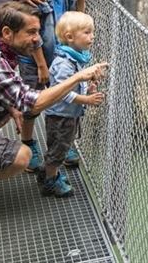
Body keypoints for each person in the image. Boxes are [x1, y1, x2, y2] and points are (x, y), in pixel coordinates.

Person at [0, 2, 107, 221]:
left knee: (12, 108)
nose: (38, 38)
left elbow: (5, 91)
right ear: (7, 33)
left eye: (38, 31)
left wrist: (12, 108)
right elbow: (31, 103)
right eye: (31, 32)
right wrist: (79, 77)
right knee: (21, 158)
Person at [18, 0, 88, 172]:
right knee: (33, 103)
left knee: (59, 100)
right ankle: (28, 144)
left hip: (58, 60)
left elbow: (75, 17)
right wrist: (40, 64)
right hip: (35, 61)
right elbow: (33, 33)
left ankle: (60, 145)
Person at [40, 12, 104, 198]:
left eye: (92, 32)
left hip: (68, 114)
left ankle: (49, 173)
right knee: (59, 148)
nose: (92, 36)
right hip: (61, 115)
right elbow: (63, 91)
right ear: (70, 37)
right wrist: (86, 100)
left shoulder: (74, 58)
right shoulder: (64, 63)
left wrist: (88, 89)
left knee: (61, 146)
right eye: (87, 32)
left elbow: (75, 83)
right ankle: (50, 181)